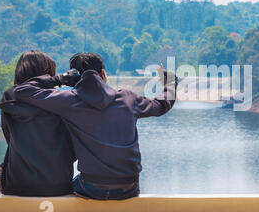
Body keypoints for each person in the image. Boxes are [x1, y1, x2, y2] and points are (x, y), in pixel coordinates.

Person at [13, 52, 177, 200]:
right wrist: (170, 82)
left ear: (76, 77)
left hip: (91, 187)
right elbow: (161, 105)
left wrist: (61, 78)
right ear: (103, 74)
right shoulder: (128, 98)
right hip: (129, 187)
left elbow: (22, 91)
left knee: (63, 187)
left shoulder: (68, 101)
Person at [0, 51, 76, 196]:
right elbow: (72, 144)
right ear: (46, 74)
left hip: (17, 183)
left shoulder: (9, 97)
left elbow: (9, 137)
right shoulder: (58, 100)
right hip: (58, 184)